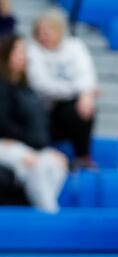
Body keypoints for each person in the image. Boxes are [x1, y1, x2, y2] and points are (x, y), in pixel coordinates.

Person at [0, 34, 68, 212]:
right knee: (36, 165)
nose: (23, 56)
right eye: (18, 51)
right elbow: (4, 124)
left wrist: (45, 148)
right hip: (6, 144)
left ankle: (44, 211)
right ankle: (50, 215)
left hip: (30, 146)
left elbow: (39, 125)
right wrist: (28, 147)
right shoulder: (2, 87)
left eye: (25, 51)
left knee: (57, 164)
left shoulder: (29, 89)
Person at [26, 9, 98, 169]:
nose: (44, 35)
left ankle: (83, 157)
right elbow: (42, 85)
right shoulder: (33, 50)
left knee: (85, 107)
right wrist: (80, 90)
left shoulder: (74, 46)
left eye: (48, 31)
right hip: (42, 108)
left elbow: (87, 77)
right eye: (41, 31)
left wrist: (86, 94)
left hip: (66, 107)